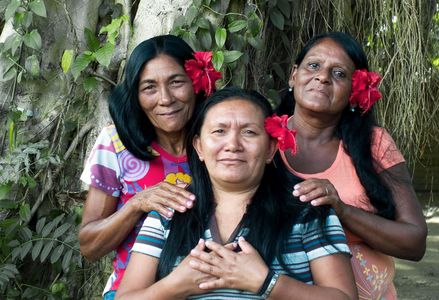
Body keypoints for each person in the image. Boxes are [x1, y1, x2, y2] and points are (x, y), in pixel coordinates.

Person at [116, 87, 358, 300]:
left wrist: (267, 283)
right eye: (219, 131)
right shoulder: (169, 211)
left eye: (249, 132)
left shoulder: (309, 210)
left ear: (271, 148)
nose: (233, 144)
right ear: (199, 147)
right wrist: (174, 286)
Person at [277, 31, 427, 299]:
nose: (322, 76)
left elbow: (414, 242)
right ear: (293, 75)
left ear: (354, 91)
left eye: (339, 74)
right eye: (314, 66)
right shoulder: (262, 139)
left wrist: (342, 211)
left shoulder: (374, 144)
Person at [78, 34, 221, 299]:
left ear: (197, 82)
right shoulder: (116, 144)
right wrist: (137, 203)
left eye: (177, 82)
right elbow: (89, 246)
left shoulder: (220, 140)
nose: (165, 99)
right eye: (149, 88)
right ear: (136, 96)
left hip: (212, 289)